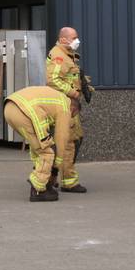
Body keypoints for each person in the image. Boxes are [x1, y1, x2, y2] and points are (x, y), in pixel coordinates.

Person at [3, 86, 72, 201]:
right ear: (74, 109)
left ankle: (42, 178)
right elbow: (61, 137)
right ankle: (38, 190)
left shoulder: (56, 99)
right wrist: (55, 167)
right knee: (47, 152)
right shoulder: (66, 107)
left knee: (37, 147)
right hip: (24, 111)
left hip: (10, 108)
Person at [46, 27, 88, 193]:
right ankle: (67, 181)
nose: (77, 41)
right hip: (64, 106)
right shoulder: (59, 55)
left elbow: (68, 77)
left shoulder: (66, 54)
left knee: (75, 140)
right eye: (74, 37)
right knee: (69, 143)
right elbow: (52, 80)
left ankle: (56, 177)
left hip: (70, 106)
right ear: (63, 39)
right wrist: (73, 92)